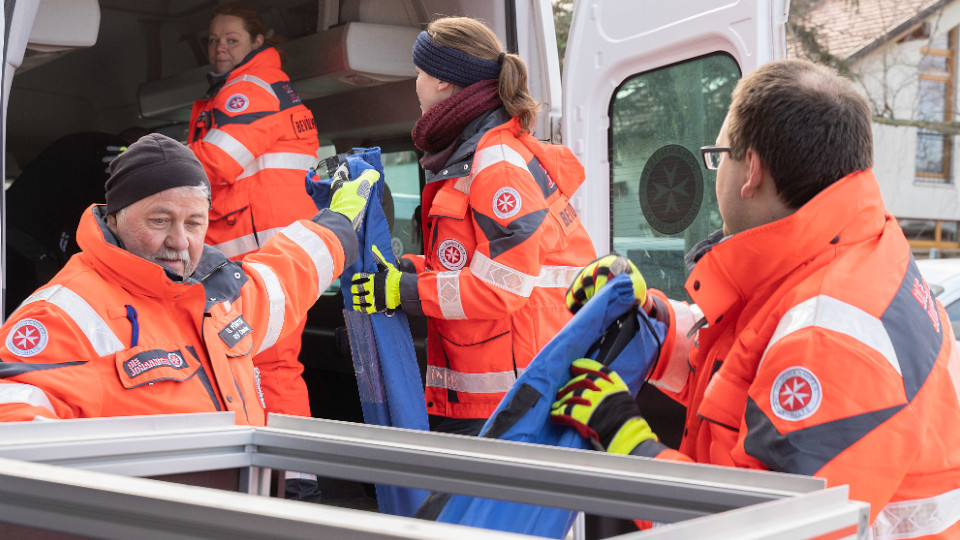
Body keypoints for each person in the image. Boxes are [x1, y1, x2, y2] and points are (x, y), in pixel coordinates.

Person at [552, 59, 960, 539]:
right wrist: (653, 322)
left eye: (718, 155)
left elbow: (755, 530)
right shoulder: (854, 248)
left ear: (752, 170)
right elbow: (745, 366)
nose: (717, 171)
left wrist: (627, 443)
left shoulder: (826, 341)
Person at [0, 133, 375, 426]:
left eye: (194, 223)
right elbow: (15, 430)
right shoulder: (60, 317)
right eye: (159, 220)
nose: (179, 241)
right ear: (114, 219)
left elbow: (286, 276)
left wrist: (339, 224)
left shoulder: (222, 296)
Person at [349, 17, 596, 435]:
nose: (416, 85)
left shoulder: (497, 165)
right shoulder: (478, 155)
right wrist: (410, 271)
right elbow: (471, 264)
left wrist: (406, 291)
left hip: (509, 397)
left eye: (419, 73)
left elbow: (503, 285)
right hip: (494, 392)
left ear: (442, 80)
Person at [187, 3, 321, 422]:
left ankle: (292, 462)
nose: (220, 48)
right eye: (214, 40)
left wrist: (155, 162)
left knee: (270, 363)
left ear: (258, 42)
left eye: (232, 40)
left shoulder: (251, 87)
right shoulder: (264, 85)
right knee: (262, 360)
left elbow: (216, 162)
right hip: (269, 250)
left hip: (262, 252)